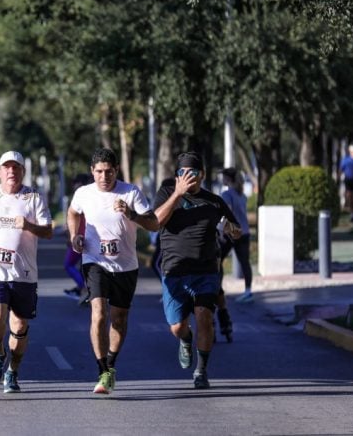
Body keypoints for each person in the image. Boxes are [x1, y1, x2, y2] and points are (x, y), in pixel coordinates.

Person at [67, 148, 159, 395]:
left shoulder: (130, 192)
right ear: (92, 172)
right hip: (94, 261)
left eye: (109, 171)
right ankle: (101, 370)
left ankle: (111, 364)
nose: (104, 177)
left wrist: (131, 214)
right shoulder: (83, 193)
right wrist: (75, 235)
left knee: (119, 319)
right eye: (99, 172)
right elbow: (73, 212)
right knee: (98, 313)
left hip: (126, 265)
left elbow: (154, 222)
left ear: (116, 170)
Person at [153, 151, 241, 389]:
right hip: (174, 271)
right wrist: (177, 194)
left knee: (204, 316)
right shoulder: (165, 194)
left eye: (192, 173)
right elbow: (156, 221)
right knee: (176, 326)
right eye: (182, 173)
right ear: (177, 176)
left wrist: (230, 229)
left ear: (201, 175)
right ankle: (185, 338)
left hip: (206, 271)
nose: (187, 177)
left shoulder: (214, 201)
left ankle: (201, 371)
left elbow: (236, 229)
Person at [0, 151, 53, 394]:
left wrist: (28, 225)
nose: (11, 172)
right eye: (6, 168)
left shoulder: (33, 198)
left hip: (24, 272)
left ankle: (12, 372)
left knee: (19, 324)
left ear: (22, 172)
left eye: (16, 168)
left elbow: (48, 231)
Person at [221, 168, 253, 303]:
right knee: (245, 262)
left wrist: (220, 230)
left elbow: (225, 213)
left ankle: (217, 289)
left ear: (228, 179)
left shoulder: (227, 194)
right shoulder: (242, 195)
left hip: (231, 231)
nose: (221, 179)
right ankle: (248, 291)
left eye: (223, 177)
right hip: (244, 231)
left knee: (217, 260)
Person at [63, 173, 92, 304]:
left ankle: (84, 288)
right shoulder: (89, 195)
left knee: (68, 264)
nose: (74, 186)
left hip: (81, 238)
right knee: (84, 267)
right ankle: (84, 289)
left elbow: (80, 220)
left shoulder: (83, 197)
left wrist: (72, 236)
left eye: (77, 183)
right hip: (86, 237)